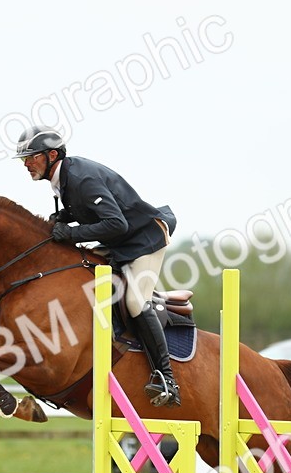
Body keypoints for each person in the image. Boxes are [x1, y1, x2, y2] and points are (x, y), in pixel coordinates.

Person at [14, 125, 181, 407]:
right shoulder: (63, 177)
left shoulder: (81, 178)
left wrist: (72, 234)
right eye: (24, 159)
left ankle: (167, 379)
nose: (27, 164)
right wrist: (64, 218)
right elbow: (89, 211)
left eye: (31, 157)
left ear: (52, 154)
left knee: (134, 300)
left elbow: (117, 223)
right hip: (120, 240)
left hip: (144, 240)